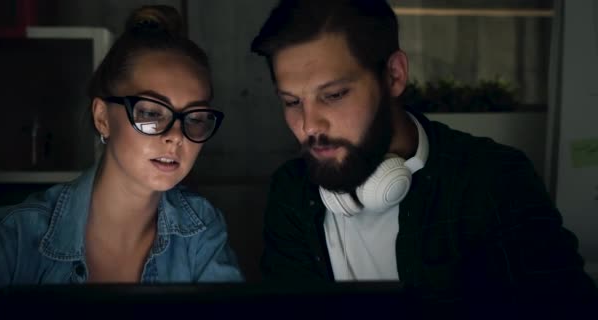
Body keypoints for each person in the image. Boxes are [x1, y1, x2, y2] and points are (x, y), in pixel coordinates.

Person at [250, 0, 596, 308]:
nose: (309, 126)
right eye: (292, 102)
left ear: (394, 76)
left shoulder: (495, 178)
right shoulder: (292, 192)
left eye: (335, 94)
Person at [0, 5, 243, 297]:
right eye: (151, 113)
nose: (175, 136)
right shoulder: (12, 240)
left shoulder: (200, 230)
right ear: (102, 117)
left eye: (195, 118)